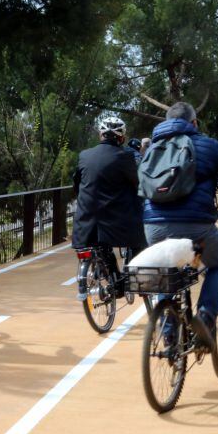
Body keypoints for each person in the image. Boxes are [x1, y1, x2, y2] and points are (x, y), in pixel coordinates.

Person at [142, 102, 218, 351]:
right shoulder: (209, 146)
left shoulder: (152, 148)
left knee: (166, 273)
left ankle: (169, 336)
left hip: (153, 225)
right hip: (196, 225)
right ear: (194, 123)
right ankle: (205, 317)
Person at [71, 116, 147, 300]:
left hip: (85, 218)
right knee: (139, 240)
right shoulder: (125, 156)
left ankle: (113, 282)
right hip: (116, 219)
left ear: (101, 135)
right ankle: (133, 280)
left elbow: (77, 184)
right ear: (121, 138)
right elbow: (137, 182)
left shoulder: (84, 155)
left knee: (101, 247)